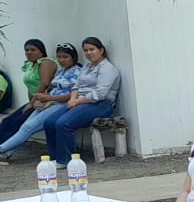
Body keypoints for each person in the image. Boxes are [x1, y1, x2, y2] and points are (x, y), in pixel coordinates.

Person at [12, 37, 119, 167]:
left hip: (100, 104)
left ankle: (66, 160)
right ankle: (55, 157)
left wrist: (77, 101)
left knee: (63, 123)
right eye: (86, 50)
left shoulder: (107, 68)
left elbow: (100, 94)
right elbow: (76, 86)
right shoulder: (87, 67)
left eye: (92, 49)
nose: (89, 53)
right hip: (80, 101)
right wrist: (73, 99)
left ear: (101, 50)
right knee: (49, 122)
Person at [0, 43, 78, 160]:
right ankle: (6, 153)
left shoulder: (78, 72)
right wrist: (43, 97)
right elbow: (53, 89)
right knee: (25, 126)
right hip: (48, 102)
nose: (62, 60)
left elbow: (74, 94)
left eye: (65, 57)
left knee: (29, 127)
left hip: (61, 104)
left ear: (73, 57)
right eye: (59, 57)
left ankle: (2, 149)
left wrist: (50, 98)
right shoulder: (61, 72)